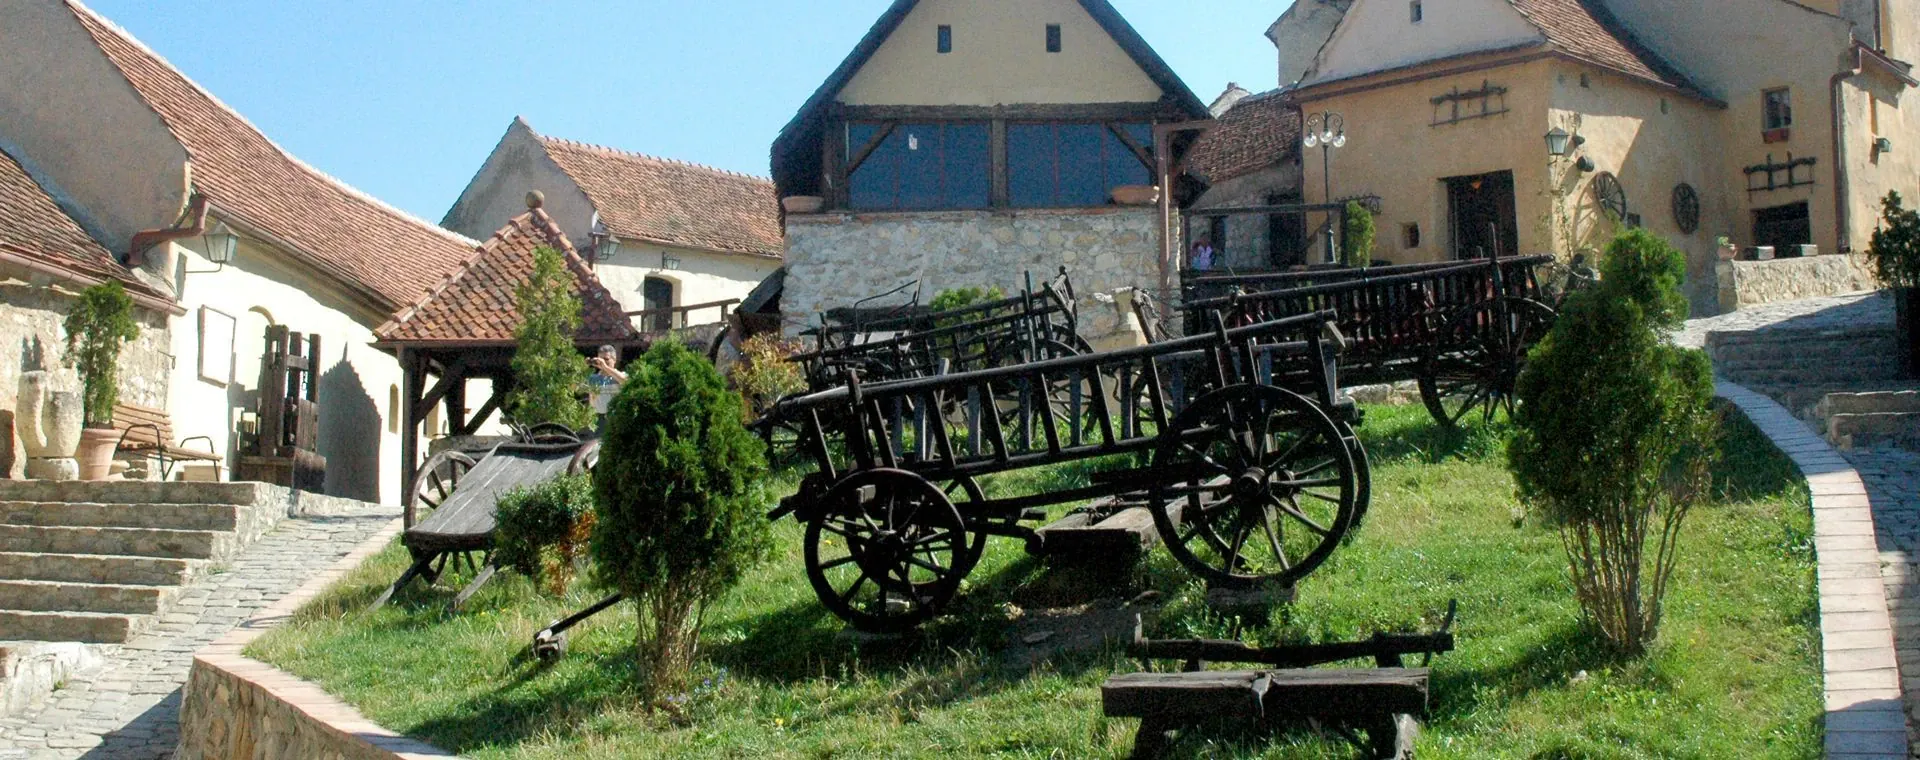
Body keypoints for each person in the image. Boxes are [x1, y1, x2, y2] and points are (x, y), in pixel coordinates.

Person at [587, 345, 628, 433]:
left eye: (606, 359)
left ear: (614, 360)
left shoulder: (621, 375)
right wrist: (582, 367)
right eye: (600, 359)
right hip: (597, 419)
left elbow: (625, 381)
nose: (602, 362)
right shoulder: (593, 378)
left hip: (616, 418)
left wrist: (605, 367)